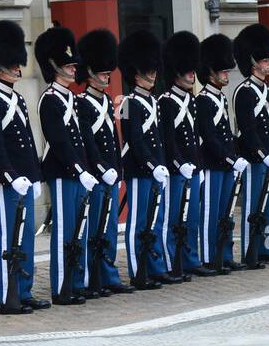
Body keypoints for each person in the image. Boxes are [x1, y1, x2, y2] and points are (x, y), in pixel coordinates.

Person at [0, 20, 47, 314]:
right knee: (11, 236)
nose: (18, 68)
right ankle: (9, 296)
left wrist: (35, 177)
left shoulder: (16, 98)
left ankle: (24, 290)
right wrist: (11, 177)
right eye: (13, 63)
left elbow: (28, 144)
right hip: (6, 182)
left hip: (23, 180)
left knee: (26, 234)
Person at [35, 25, 97, 306]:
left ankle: (78, 281)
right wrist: (78, 169)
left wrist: (88, 168)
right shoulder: (50, 99)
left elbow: (83, 137)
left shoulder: (71, 98)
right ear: (53, 66)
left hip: (78, 172)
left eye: (74, 65)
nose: (74, 69)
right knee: (65, 228)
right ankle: (62, 286)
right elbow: (58, 142)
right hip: (62, 172)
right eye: (68, 65)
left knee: (79, 229)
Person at [75, 28, 132, 296]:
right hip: (97, 174)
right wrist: (101, 169)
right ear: (89, 73)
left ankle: (108, 274)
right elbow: (87, 141)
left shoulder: (108, 101)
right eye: (102, 72)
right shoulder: (82, 102)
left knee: (108, 227)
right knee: (94, 228)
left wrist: (117, 167)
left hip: (110, 171)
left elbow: (112, 136)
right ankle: (93, 275)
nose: (107, 76)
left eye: (108, 72)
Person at [118, 29, 172, 290]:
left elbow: (159, 137)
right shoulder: (128, 103)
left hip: (156, 169)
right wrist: (152, 165)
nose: (152, 75)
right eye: (147, 70)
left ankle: (156, 266)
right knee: (138, 222)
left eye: (153, 70)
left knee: (157, 219)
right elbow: (135, 140)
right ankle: (138, 270)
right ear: (135, 73)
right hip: (139, 170)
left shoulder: (155, 101)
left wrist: (161, 164)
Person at [159, 31, 214, 279]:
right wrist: (179, 164)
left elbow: (195, 137)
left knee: (191, 218)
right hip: (176, 169)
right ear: (177, 71)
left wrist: (198, 166)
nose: (193, 75)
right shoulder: (166, 101)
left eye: (194, 70)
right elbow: (168, 140)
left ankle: (190, 258)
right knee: (173, 220)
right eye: (188, 70)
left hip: (193, 167)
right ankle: (173, 261)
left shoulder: (191, 101)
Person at [232, 23, 269, 266]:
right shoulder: (244, 91)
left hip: (268, 157)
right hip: (254, 158)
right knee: (254, 206)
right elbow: (247, 129)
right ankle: (250, 250)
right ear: (253, 62)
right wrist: (263, 155)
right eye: (264, 59)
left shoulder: (266, 89)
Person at [196, 33, 248, 274]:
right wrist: (230, 158)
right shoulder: (203, 100)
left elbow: (226, 134)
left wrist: (235, 156)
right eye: (223, 72)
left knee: (226, 213)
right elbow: (209, 137)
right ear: (210, 72)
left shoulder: (220, 98)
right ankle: (209, 256)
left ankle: (224, 253)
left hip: (225, 165)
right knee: (211, 213)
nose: (227, 75)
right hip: (211, 165)